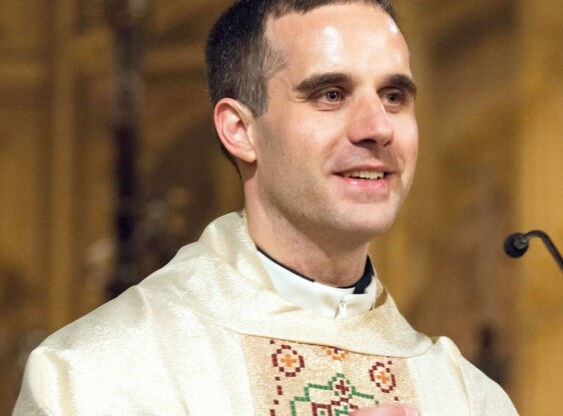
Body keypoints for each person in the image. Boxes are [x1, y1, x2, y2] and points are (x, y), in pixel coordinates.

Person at [14, 0, 518, 415]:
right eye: (331, 94)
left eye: (393, 96)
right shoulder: (99, 376)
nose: (377, 127)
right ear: (240, 129)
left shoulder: (466, 398)